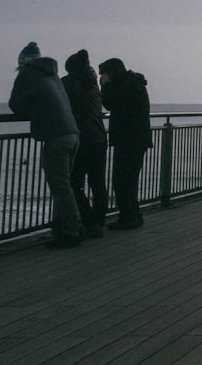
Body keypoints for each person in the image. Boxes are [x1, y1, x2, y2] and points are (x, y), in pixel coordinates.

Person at [9, 42, 83, 248]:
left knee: (60, 187)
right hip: (72, 133)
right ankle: (64, 229)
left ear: (22, 63)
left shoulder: (27, 74)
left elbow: (15, 104)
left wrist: (31, 110)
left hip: (56, 136)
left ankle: (72, 231)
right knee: (64, 185)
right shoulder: (53, 75)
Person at [99, 58, 151, 230]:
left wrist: (105, 86)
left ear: (113, 72)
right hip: (136, 138)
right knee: (129, 180)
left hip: (129, 139)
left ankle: (128, 218)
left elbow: (110, 103)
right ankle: (132, 216)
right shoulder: (133, 82)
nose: (103, 77)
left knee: (122, 180)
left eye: (105, 74)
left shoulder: (125, 86)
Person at [63, 49, 109, 238]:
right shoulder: (93, 84)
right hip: (99, 137)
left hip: (82, 139)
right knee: (98, 183)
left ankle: (88, 221)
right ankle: (98, 221)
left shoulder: (68, 82)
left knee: (73, 182)